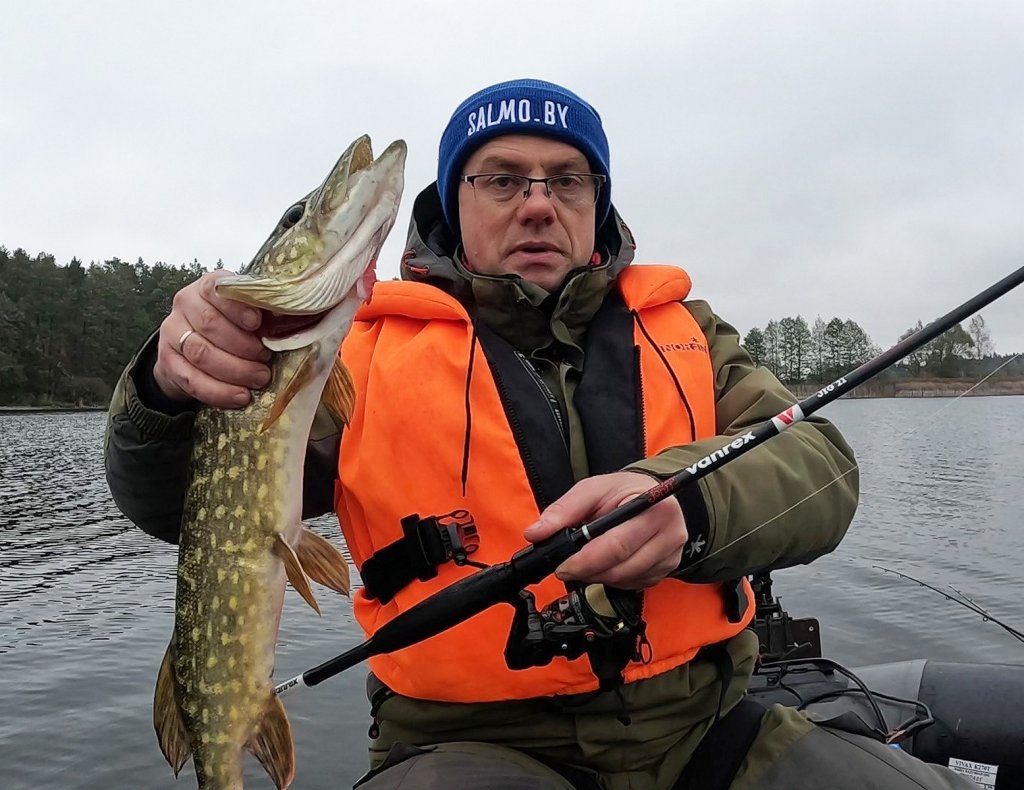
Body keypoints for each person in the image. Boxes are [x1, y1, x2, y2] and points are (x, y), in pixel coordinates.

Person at [105, 79, 972, 789]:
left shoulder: (688, 332)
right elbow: (177, 510)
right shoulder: (350, 359)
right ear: (452, 203)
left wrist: (689, 509)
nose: (537, 204)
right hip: (467, 744)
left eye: (567, 180)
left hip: (708, 725)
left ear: (597, 204)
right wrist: (165, 390)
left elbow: (819, 468)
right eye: (501, 178)